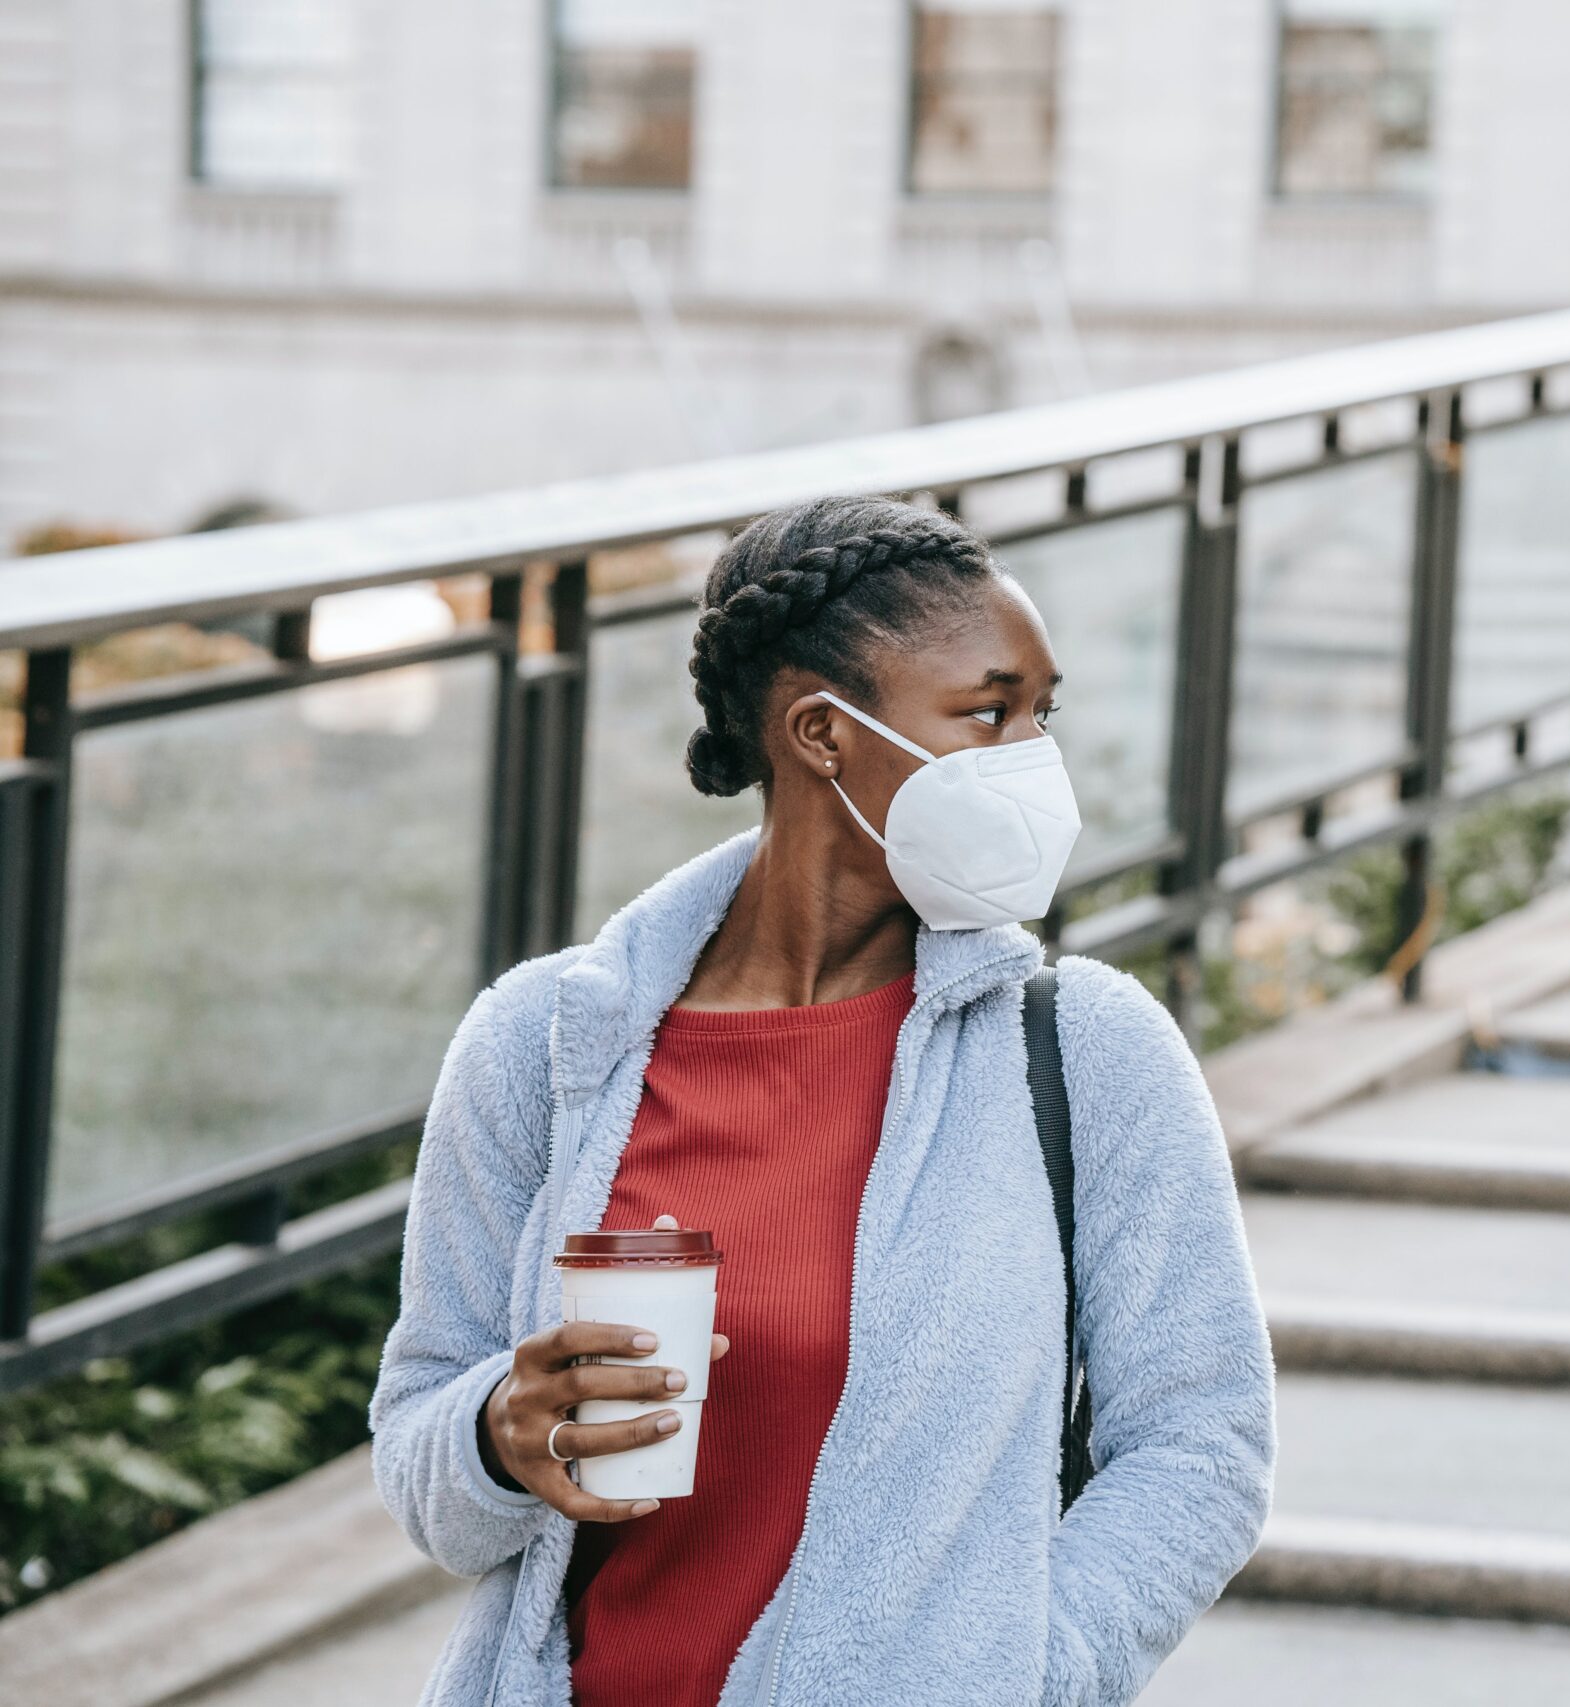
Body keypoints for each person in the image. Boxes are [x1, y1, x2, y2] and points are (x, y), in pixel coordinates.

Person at [368, 494, 1276, 1707]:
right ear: (821, 733)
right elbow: (421, 1438)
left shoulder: (1086, 1049)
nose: (1032, 761)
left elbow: (1201, 1445)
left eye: (1041, 715)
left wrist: (1020, 1672)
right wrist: (496, 1433)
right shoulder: (541, 1043)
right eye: (987, 713)